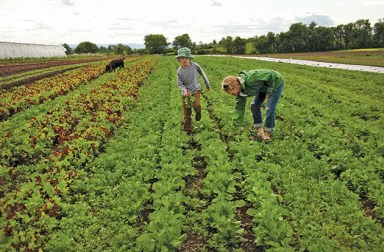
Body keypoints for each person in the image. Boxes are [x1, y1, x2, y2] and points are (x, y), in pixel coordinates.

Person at [221, 69, 284, 141]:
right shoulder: (240, 93)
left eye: (231, 92)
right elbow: (239, 110)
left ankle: (267, 134)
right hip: (262, 87)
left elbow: (271, 75)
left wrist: (269, 92)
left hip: (275, 83)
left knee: (269, 108)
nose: (231, 94)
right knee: (254, 105)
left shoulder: (251, 78)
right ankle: (260, 132)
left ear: (234, 85)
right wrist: (236, 126)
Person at [176, 47, 211, 134]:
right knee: (186, 110)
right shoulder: (179, 71)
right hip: (186, 93)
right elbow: (180, 84)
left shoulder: (195, 66)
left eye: (186, 58)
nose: (184, 60)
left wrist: (207, 84)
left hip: (196, 90)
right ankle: (188, 129)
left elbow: (203, 74)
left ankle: (198, 111)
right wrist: (184, 91)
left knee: (196, 105)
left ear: (189, 58)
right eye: (182, 58)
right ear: (179, 59)